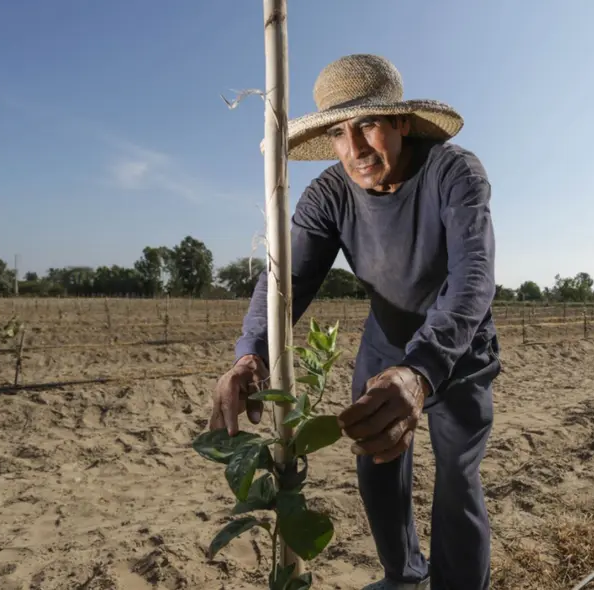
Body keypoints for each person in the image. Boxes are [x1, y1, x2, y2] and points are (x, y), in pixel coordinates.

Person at [209, 54, 500, 590]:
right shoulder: (328, 194)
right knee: (376, 463)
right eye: (340, 134)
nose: (356, 149)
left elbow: (473, 279)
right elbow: (283, 283)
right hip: (385, 344)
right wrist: (251, 353)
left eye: (368, 125)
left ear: (401, 123)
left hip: (457, 350)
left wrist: (421, 370)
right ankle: (404, 574)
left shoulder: (452, 172)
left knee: (456, 480)